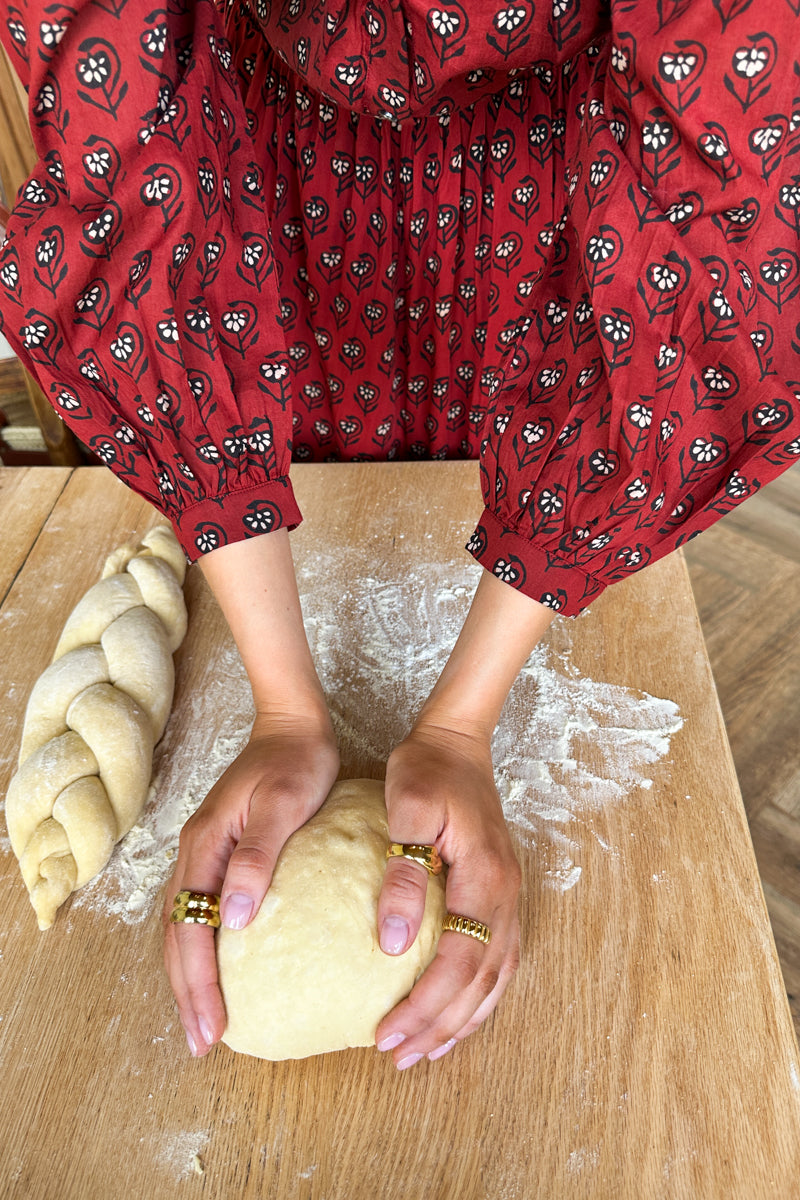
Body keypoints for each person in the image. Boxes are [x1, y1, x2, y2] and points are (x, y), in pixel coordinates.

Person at [2, 0, 799, 1069]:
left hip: (578, 230)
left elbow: (730, 193)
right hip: (256, 212)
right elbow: (122, 110)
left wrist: (461, 726)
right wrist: (284, 705)